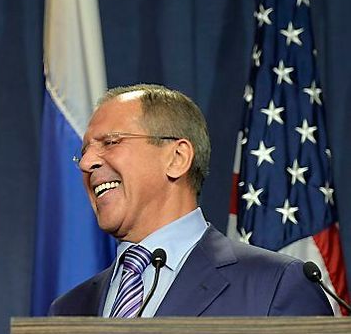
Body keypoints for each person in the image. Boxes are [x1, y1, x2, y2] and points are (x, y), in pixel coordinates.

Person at [49, 84, 332, 317]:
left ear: (177, 158)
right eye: (84, 152)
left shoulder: (275, 285)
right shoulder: (69, 309)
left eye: (110, 142)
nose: (86, 163)